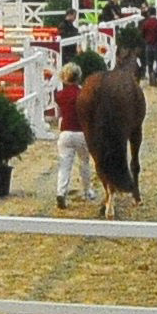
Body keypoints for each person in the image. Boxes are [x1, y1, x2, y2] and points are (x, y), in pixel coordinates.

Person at [50, 58, 94, 208]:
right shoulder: (84, 94)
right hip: (82, 133)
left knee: (64, 165)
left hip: (65, 133)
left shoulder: (60, 95)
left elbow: (58, 115)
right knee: (84, 163)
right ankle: (87, 191)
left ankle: (61, 192)